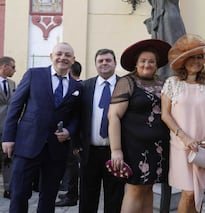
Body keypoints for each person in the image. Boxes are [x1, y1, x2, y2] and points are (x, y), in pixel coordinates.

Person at [1, 42, 82, 212]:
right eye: (59, 53)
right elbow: (15, 106)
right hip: (27, 144)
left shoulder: (77, 87)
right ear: (51, 57)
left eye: (68, 55)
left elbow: (76, 116)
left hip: (56, 149)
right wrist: (8, 137)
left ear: (73, 60)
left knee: (49, 195)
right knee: (19, 193)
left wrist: (69, 131)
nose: (63, 58)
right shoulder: (34, 74)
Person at [108, 39, 170, 213]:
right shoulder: (127, 82)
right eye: (143, 61)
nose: (147, 64)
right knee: (135, 189)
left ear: (157, 64)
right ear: (136, 63)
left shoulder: (163, 83)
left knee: (148, 187)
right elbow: (113, 116)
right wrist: (116, 150)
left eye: (151, 61)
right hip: (134, 148)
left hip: (158, 148)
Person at [161, 34, 205, 213]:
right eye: (191, 57)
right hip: (182, 147)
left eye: (199, 57)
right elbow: (165, 115)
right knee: (188, 193)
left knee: (198, 193)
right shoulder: (172, 83)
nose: (196, 61)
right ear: (183, 60)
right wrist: (185, 138)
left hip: (204, 148)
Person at [78, 49, 125, 213]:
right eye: (100, 61)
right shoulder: (85, 86)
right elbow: (77, 116)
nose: (104, 63)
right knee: (87, 197)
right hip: (89, 152)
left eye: (108, 60)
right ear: (95, 64)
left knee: (115, 197)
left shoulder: (125, 85)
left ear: (114, 63)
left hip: (116, 154)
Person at [56, 61, 82, 207]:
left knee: (72, 165)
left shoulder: (80, 87)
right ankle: (70, 192)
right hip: (67, 133)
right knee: (70, 164)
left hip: (75, 134)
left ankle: (72, 195)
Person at [144, 0, 186, 79]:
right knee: (160, 47)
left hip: (168, 18)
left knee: (171, 44)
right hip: (159, 17)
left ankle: (172, 73)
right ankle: (163, 73)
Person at [0, 56, 16, 199]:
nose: (14, 70)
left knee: (8, 159)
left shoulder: (12, 84)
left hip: (8, 129)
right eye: (13, 67)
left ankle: (8, 188)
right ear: (4, 67)